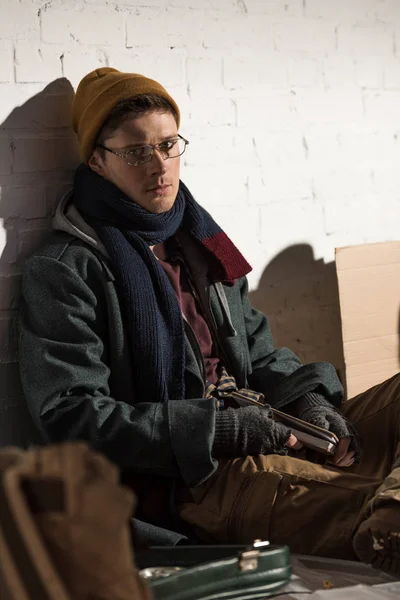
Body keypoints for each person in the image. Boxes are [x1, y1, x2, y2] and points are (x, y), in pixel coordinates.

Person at [19, 67, 400, 576]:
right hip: (194, 478)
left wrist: (306, 400)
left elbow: (260, 352)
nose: (159, 166)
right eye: (135, 152)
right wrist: (220, 431)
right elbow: (72, 417)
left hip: (265, 424)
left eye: (168, 144)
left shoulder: (197, 239)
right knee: (375, 513)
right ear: (96, 161)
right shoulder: (65, 271)